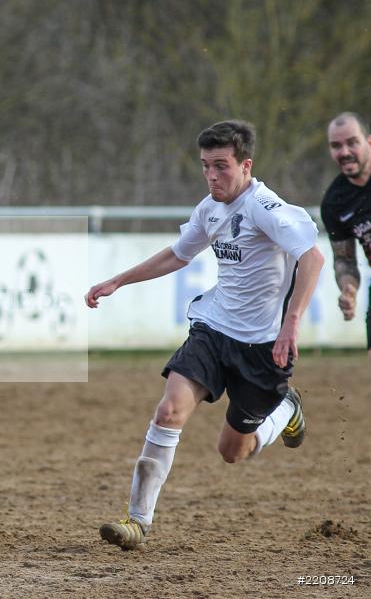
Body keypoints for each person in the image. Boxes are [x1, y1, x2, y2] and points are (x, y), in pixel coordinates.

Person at [85, 120, 324, 550]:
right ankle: (137, 521)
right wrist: (118, 280)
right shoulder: (210, 208)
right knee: (168, 411)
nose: (212, 176)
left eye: (221, 166)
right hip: (212, 331)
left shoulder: (265, 208)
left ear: (246, 165)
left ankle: (286, 409)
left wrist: (292, 323)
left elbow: (312, 258)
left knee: (233, 451)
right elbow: (177, 255)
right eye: (205, 166)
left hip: (262, 348)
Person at [320, 112, 371, 361]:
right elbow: (345, 259)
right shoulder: (334, 202)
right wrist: (349, 289)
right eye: (336, 146)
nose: (345, 152)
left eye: (352, 142)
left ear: (369, 141)